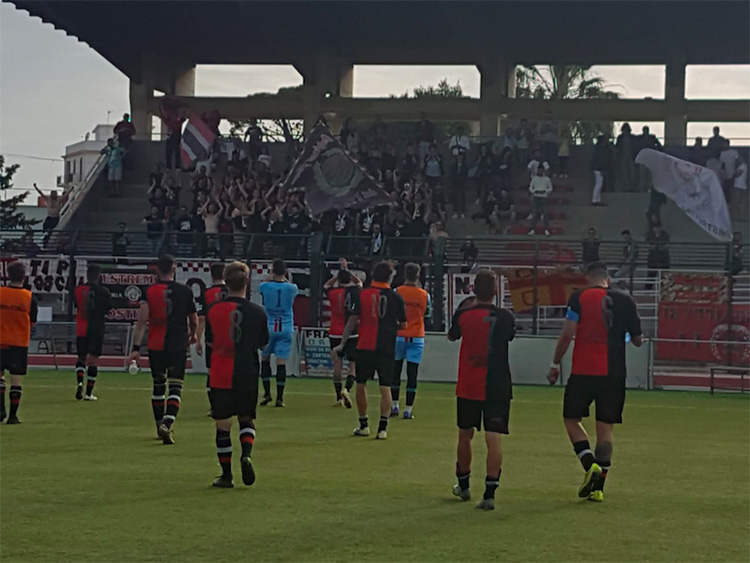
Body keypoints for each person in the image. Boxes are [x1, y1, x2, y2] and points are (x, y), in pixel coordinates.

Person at [547, 261, 643, 503]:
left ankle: (589, 465)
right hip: (614, 373)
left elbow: (568, 334)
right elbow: (638, 340)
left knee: (571, 418)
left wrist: (555, 363)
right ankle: (599, 488)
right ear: (607, 279)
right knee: (605, 429)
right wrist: (622, 333)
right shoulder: (626, 301)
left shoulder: (579, 298)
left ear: (588, 278)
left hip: (584, 369)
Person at [448, 269, 515, 511]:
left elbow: (451, 336)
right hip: (497, 385)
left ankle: (463, 485)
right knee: (493, 437)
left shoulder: (464, 315)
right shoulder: (506, 316)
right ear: (496, 291)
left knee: (465, 435)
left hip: (468, 383)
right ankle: (489, 493)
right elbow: (510, 336)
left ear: (473, 289)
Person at [205, 261, 269, 488]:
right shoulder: (258, 312)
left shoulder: (213, 311)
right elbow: (262, 343)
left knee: (222, 426)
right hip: (247, 372)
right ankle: (246, 454)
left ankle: (226, 475)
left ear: (225, 281)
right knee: (247, 419)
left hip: (221, 373)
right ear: (247, 282)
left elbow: (210, 342)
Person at [128, 254, 198, 444]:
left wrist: (136, 348)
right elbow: (193, 319)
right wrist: (193, 334)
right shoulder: (185, 291)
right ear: (174, 268)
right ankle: (167, 423)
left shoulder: (149, 291)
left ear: (157, 269)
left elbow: (142, 321)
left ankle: (159, 423)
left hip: (156, 344)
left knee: (158, 386)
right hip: (177, 343)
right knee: (175, 386)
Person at [333, 261, 406, 440]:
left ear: (373, 275)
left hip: (365, 345)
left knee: (361, 384)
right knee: (385, 387)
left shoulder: (362, 294)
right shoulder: (396, 297)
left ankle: (363, 424)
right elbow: (403, 324)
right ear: (390, 277)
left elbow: (352, 320)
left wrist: (342, 343)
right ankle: (382, 428)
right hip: (386, 346)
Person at [390, 263, 430, 420]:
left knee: (395, 371)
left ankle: (394, 406)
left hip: (399, 335)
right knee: (412, 373)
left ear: (405, 274)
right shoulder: (424, 295)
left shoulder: (397, 292)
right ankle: (408, 409)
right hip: (417, 336)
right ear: (418, 276)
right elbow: (427, 313)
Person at [0, 261, 38, 424]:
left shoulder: (0, 293)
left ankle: (0, 409)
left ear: (8, 275)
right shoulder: (29, 297)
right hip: (19, 342)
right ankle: (13, 416)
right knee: (15, 379)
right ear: (24, 277)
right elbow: (33, 322)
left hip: (0, 340)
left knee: (0, 376)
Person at [258, 259, 299, 407]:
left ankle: (267, 394)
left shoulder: (264, 286)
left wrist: (269, 276)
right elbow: (287, 285)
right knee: (281, 363)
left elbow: (262, 286)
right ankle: (280, 398)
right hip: (286, 327)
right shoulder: (292, 288)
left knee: (265, 359)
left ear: (273, 271)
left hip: (269, 327)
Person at [324, 259, 363, 407]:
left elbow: (326, 285)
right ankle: (347, 389)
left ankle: (338, 397)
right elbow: (359, 282)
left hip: (335, 330)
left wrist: (338, 275)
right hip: (352, 331)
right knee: (352, 364)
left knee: (337, 364)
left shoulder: (333, 292)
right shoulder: (355, 291)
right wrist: (347, 271)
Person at [73, 264, 112, 402]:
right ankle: (88, 393)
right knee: (93, 361)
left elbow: (76, 305)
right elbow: (107, 309)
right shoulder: (104, 291)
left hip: (82, 327)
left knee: (81, 358)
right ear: (99, 276)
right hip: (96, 328)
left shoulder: (78, 290)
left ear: (87, 275)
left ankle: (79, 382)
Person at [196, 263, 229, 411]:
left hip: (212, 336)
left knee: (212, 371)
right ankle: (229, 403)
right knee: (229, 369)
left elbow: (202, 318)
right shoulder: (231, 291)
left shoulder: (207, 293)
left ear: (211, 275)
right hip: (230, 336)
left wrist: (198, 338)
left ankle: (214, 406)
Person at [527, 166, 553, 236]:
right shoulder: (534, 179)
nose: (540, 172)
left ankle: (546, 230)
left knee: (545, 213)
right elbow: (530, 188)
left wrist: (544, 191)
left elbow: (550, 188)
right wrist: (535, 191)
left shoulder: (547, 179)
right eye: (539, 170)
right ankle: (532, 229)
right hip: (536, 196)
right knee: (534, 214)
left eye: (541, 170)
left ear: (543, 171)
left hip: (544, 197)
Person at [590, 135, 611, 206]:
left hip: (597, 167)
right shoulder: (601, 149)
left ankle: (597, 199)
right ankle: (594, 200)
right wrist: (602, 168)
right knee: (598, 184)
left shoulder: (598, 148)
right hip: (599, 168)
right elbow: (601, 160)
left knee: (599, 184)